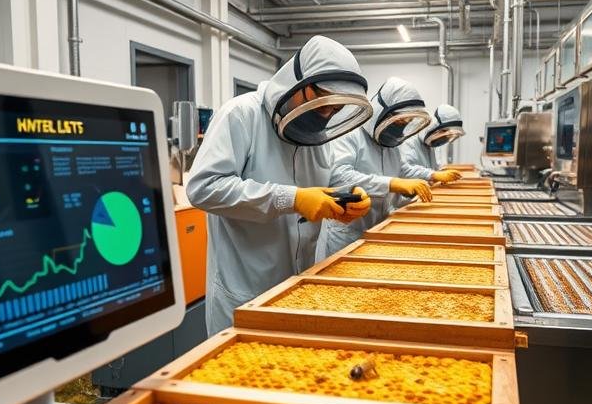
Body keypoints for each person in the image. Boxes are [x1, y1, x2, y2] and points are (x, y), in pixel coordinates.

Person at [187, 36, 374, 334]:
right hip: (245, 289)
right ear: (299, 83)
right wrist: (291, 199)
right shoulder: (241, 115)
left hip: (299, 286)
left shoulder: (316, 135)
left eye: (335, 109)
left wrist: (350, 193)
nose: (327, 114)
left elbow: (328, 177)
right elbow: (204, 187)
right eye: (323, 103)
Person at [316, 76, 436, 259]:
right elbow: (338, 175)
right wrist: (391, 184)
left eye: (406, 122)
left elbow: (402, 169)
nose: (402, 127)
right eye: (400, 121)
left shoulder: (390, 143)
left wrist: (431, 176)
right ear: (383, 113)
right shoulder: (350, 133)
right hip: (347, 234)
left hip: (380, 227)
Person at [399, 102, 466, 183]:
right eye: (443, 131)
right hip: (412, 190)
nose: (444, 137)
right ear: (432, 126)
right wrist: (434, 175)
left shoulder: (429, 146)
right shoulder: (409, 141)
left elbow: (432, 168)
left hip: (425, 188)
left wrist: (441, 173)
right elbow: (405, 171)